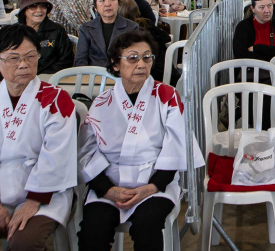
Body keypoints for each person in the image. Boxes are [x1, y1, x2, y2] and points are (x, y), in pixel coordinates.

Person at [0, 24, 77, 251]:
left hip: (43, 192)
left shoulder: (56, 99)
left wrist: (33, 201)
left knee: (24, 243)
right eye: (13, 58)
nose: (23, 64)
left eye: (30, 56)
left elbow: (58, 154)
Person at [76, 30, 203, 250]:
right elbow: (86, 151)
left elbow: (178, 147)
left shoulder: (167, 96)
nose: (141, 64)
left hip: (154, 180)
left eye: (147, 57)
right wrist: (106, 189)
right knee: (93, 229)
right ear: (116, 65)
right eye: (132, 58)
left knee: (147, 225)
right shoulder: (101, 102)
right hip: (110, 181)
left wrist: (152, 186)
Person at [232, 0, 275, 92]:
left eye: (269, 6)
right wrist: (274, 56)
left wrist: (257, 48)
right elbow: (240, 55)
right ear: (253, 9)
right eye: (261, 7)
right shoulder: (243, 27)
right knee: (263, 91)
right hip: (250, 76)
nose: (267, 10)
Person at [75, 0, 139, 67]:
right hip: (93, 76)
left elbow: (134, 58)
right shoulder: (86, 28)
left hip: (121, 75)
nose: (107, 4)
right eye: (102, 0)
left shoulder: (132, 28)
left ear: (119, 3)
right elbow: (81, 60)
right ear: (95, 7)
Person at [16, 0, 73, 74]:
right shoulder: (13, 33)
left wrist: (42, 74)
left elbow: (66, 61)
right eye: (33, 7)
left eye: (43, 7)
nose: (39, 10)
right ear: (24, 11)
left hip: (50, 76)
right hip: (20, 76)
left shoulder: (57, 30)